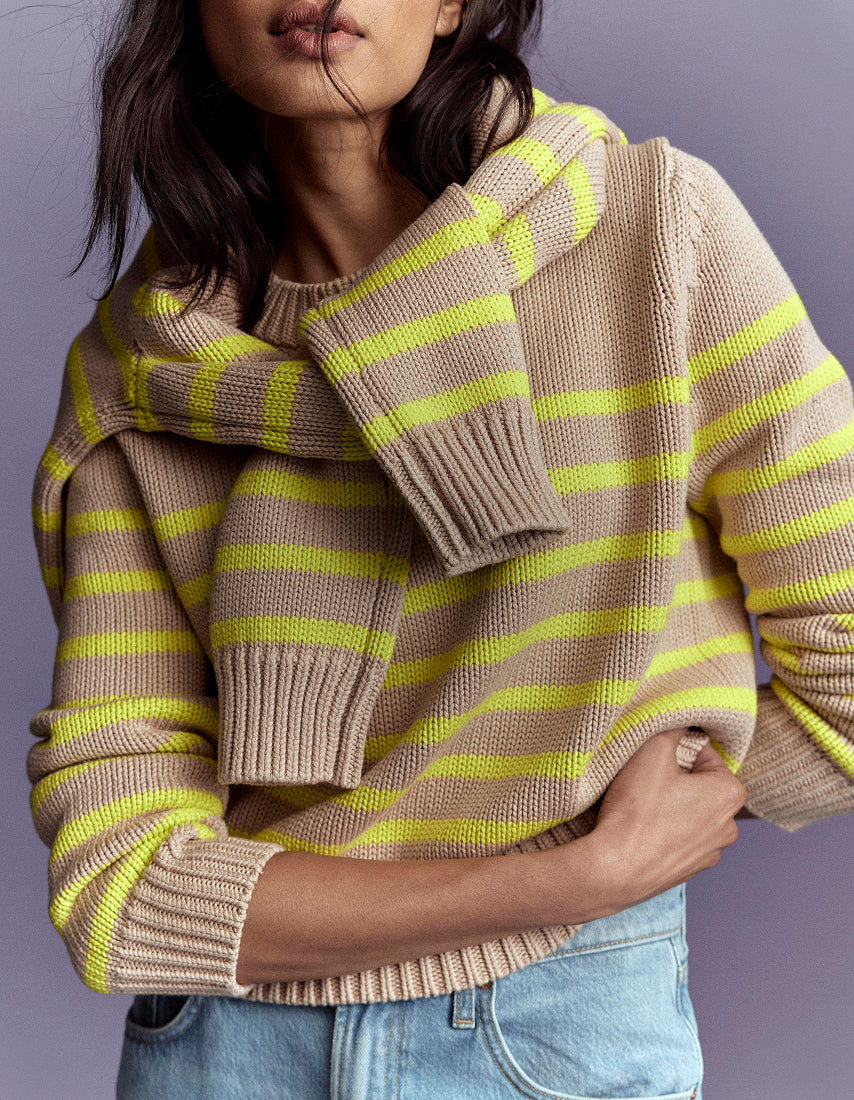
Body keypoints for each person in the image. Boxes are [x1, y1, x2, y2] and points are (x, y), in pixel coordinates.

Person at [26, 0, 854, 1096]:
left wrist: (676, 804)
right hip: (227, 1047)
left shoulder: (653, 236)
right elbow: (119, 882)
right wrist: (576, 874)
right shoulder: (139, 375)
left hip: (552, 1029)